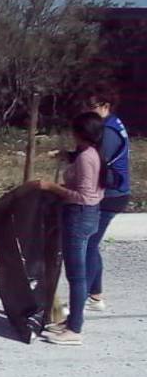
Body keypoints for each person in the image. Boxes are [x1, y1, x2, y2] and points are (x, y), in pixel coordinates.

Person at [24, 112, 106, 346]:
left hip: (79, 215)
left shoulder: (86, 158)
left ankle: (75, 329)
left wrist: (52, 187)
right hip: (87, 214)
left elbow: (83, 195)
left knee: (76, 276)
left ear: (81, 133)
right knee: (76, 274)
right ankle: (72, 322)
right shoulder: (89, 154)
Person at [84, 91, 131, 312]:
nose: (88, 109)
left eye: (92, 105)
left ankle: (86, 297)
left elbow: (95, 162)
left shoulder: (109, 132)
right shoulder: (111, 125)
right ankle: (95, 295)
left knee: (88, 245)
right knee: (91, 245)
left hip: (111, 195)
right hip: (110, 192)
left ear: (105, 105)